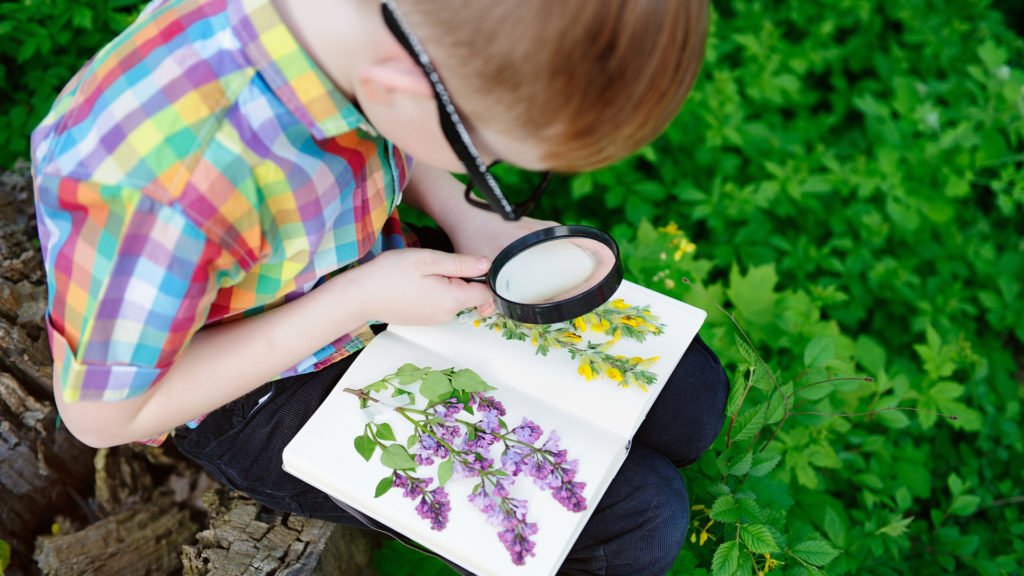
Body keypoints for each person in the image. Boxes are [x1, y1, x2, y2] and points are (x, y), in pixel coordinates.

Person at [30, 0, 727, 573]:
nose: (485, 172)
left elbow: (390, 126)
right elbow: (102, 415)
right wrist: (356, 299)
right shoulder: (160, 189)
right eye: (486, 161)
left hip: (376, 269)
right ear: (402, 88)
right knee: (637, 521)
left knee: (692, 397)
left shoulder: (356, 30)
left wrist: (465, 212)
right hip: (254, 384)